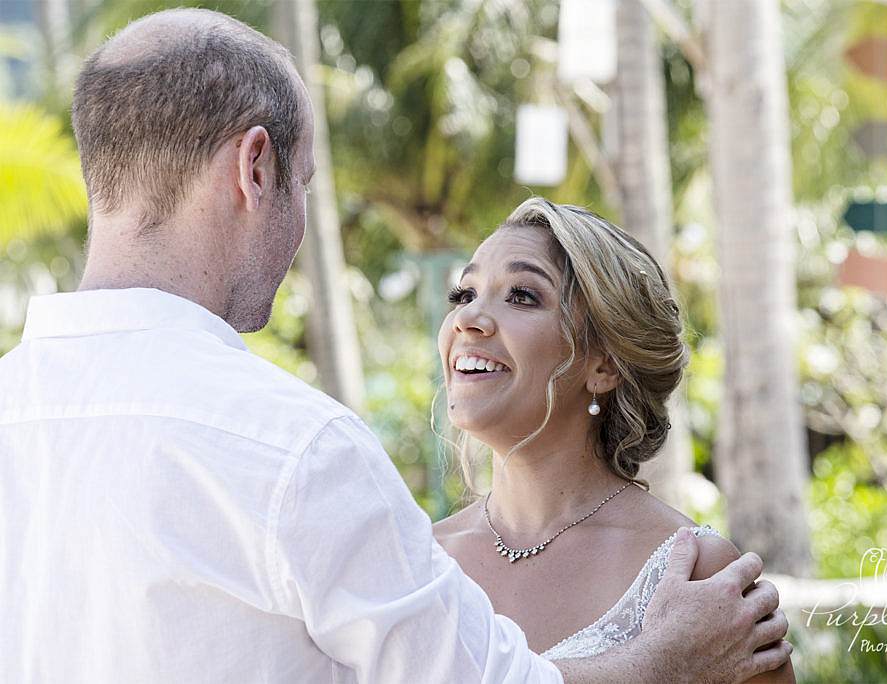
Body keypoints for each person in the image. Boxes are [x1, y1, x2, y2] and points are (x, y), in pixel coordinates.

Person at [0, 8, 792, 683]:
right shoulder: (291, 449)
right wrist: (662, 661)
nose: (471, 320)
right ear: (254, 167)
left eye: (520, 295)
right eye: (303, 182)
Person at [433, 199, 795, 682]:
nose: (467, 318)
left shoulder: (696, 573)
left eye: (521, 296)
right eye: (464, 293)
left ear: (603, 364)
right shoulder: (424, 560)